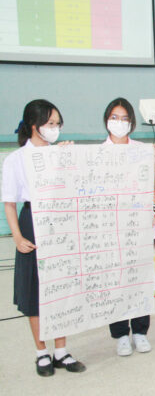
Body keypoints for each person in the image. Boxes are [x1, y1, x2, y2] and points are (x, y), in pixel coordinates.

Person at [2, 100, 85, 376]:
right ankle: (41, 353)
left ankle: (61, 351)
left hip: (60, 221)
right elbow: (10, 203)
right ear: (34, 125)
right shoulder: (15, 160)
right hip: (32, 221)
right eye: (50, 123)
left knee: (61, 288)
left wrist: (69, 159)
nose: (55, 128)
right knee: (34, 290)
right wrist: (17, 236)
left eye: (58, 124)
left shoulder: (59, 153)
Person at [101, 97, 155, 356]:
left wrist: (153, 162)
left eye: (124, 118)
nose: (119, 123)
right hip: (111, 228)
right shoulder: (97, 154)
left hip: (141, 225)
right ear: (106, 121)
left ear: (132, 123)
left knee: (140, 278)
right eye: (114, 118)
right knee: (115, 281)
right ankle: (120, 334)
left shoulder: (142, 150)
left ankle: (140, 331)